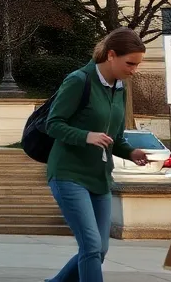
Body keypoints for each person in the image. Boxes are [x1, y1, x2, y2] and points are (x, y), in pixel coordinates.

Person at [44, 27, 150, 282]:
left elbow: (116, 136)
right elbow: (53, 123)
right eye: (130, 63)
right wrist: (85, 135)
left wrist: (131, 151)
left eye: (136, 65)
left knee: (100, 249)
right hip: (69, 174)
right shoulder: (79, 80)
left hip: (100, 178)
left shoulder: (120, 88)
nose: (133, 70)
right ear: (111, 55)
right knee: (91, 246)